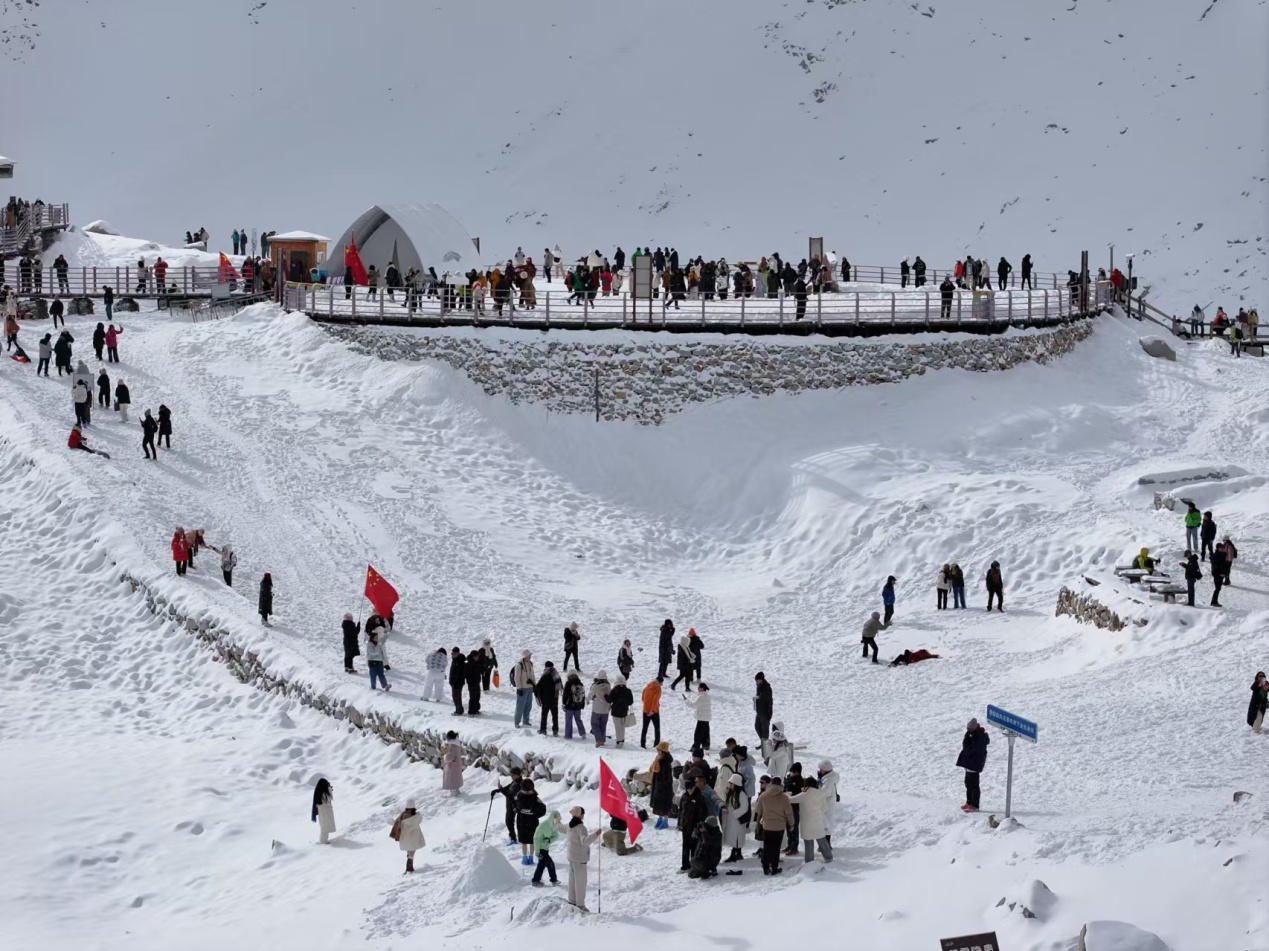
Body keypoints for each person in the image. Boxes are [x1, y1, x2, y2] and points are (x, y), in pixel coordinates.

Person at [753, 775, 794, 875]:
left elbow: (758, 810)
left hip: (767, 825)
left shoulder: (763, 795)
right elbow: (789, 813)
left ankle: (765, 867)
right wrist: (792, 824)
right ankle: (774, 868)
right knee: (776, 847)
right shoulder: (784, 797)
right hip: (779, 826)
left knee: (767, 846)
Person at [789, 776, 833, 863]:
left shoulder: (804, 794)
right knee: (822, 840)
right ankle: (829, 858)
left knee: (808, 842)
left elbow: (792, 800)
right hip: (818, 821)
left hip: (807, 823)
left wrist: (787, 795)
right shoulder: (820, 794)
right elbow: (825, 809)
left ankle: (809, 861)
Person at [565, 806, 600, 911]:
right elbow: (585, 842)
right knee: (581, 882)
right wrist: (596, 834)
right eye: (583, 814)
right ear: (580, 815)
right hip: (580, 859)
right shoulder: (581, 828)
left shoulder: (569, 826)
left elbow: (559, 827)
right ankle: (580, 905)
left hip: (571, 858)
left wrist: (556, 820)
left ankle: (572, 901)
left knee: (572, 880)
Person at [956, 718, 990, 812]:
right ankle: (969, 802)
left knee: (974, 786)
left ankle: (975, 805)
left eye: (969, 729)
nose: (968, 730)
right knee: (968, 784)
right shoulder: (971, 735)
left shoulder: (979, 737)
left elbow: (971, 750)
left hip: (974, 765)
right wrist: (967, 737)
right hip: (969, 764)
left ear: (974, 728)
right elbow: (966, 746)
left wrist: (967, 744)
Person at [515, 778, 547, 864]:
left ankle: (524, 858)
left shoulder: (519, 796)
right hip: (532, 822)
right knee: (532, 840)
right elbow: (543, 809)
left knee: (524, 841)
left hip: (521, 822)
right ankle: (531, 857)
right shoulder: (535, 798)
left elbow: (515, 807)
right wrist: (534, 814)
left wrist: (519, 811)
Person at [721, 773, 751, 863]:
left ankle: (735, 853)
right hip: (731, 819)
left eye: (731, 783)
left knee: (737, 836)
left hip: (737, 819)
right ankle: (737, 853)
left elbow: (744, 807)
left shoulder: (741, 794)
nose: (730, 785)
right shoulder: (731, 793)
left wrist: (735, 814)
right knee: (733, 835)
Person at [491, 767, 524, 845]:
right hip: (510, 805)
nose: (511, 776)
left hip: (513, 806)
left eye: (512, 774)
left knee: (509, 822)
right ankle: (512, 836)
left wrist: (501, 790)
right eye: (511, 774)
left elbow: (509, 795)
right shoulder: (515, 782)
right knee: (509, 821)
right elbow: (508, 787)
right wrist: (498, 790)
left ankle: (513, 838)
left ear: (517, 775)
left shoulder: (518, 784)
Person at [532, 810, 564, 886]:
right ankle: (554, 880)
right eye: (556, 819)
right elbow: (536, 838)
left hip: (546, 849)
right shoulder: (543, 826)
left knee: (541, 865)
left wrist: (549, 840)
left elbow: (556, 836)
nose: (557, 821)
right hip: (541, 849)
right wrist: (537, 851)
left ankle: (535, 880)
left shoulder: (554, 826)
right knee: (550, 864)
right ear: (552, 818)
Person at [393, 800, 425, 873]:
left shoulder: (402, 816)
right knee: (412, 852)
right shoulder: (418, 816)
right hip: (415, 837)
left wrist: (390, 822)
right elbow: (420, 821)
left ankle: (409, 868)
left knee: (409, 852)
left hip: (406, 837)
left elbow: (396, 823)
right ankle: (409, 868)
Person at [677, 782, 702, 872]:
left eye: (691, 788)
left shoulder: (699, 797)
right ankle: (685, 866)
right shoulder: (684, 797)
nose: (690, 791)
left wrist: (699, 826)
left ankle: (693, 866)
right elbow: (681, 811)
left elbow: (702, 814)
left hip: (694, 827)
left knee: (694, 847)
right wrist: (679, 823)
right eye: (688, 789)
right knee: (685, 846)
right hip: (685, 826)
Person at [689, 815, 723, 880]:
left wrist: (704, 832)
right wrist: (697, 829)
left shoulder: (717, 834)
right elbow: (694, 836)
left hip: (712, 859)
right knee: (691, 874)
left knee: (693, 862)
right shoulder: (708, 831)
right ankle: (707, 869)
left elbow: (707, 842)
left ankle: (707, 872)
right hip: (704, 857)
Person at [649, 741, 675, 828]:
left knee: (663, 805)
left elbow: (666, 776)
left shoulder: (665, 761)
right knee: (658, 805)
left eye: (659, 750)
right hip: (658, 785)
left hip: (664, 787)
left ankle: (665, 821)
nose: (658, 752)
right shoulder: (659, 758)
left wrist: (661, 783)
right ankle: (660, 818)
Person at [535, 660, 562, 735]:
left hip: (546, 699)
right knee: (555, 715)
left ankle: (543, 729)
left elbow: (539, 686)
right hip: (555, 698)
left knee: (544, 715)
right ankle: (555, 730)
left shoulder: (545, 675)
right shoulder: (556, 674)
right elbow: (560, 686)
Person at [816, 760, 840, 844]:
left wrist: (816, 790)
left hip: (827, 805)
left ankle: (826, 844)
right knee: (826, 824)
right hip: (825, 804)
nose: (819, 771)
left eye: (820, 769)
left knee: (826, 825)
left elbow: (824, 793)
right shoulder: (826, 779)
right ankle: (825, 844)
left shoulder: (828, 781)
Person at [587, 670, 612, 747]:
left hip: (596, 709)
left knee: (594, 724)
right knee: (603, 725)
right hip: (605, 709)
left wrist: (587, 700)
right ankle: (603, 740)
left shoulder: (595, 686)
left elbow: (590, 695)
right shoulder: (608, 686)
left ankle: (598, 740)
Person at [511, 650, 536, 727]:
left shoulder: (531, 664)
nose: (530, 656)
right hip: (522, 688)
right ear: (525, 656)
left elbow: (533, 675)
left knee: (528, 706)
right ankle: (517, 722)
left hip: (529, 687)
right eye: (529, 655)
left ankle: (526, 721)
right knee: (520, 706)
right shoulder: (519, 665)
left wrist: (534, 685)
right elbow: (517, 678)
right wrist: (519, 688)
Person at [609, 674, 634, 747]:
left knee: (617, 726)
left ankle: (618, 741)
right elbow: (631, 702)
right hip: (624, 711)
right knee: (622, 726)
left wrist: (605, 696)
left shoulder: (614, 690)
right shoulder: (628, 691)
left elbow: (609, 700)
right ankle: (622, 740)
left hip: (615, 711)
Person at [687, 682, 712, 751]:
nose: (697, 688)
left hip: (701, 717)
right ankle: (706, 745)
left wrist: (686, 700)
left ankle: (696, 746)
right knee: (706, 732)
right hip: (707, 717)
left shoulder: (701, 697)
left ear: (702, 688)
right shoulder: (708, 696)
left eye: (699, 687)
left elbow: (693, 705)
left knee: (698, 733)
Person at [562, 671, 587, 739]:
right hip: (578, 705)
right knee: (578, 719)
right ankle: (583, 733)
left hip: (570, 705)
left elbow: (565, 695)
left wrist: (564, 703)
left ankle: (568, 735)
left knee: (568, 720)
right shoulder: (580, 683)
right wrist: (582, 705)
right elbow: (583, 695)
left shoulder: (568, 683)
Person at [312, 778, 336, 844]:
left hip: (323, 812)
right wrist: (329, 789)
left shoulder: (319, 792)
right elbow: (330, 798)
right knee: (325, 829)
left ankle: (323, 841)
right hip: (325, 813)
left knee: (324, 828)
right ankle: (323, 842)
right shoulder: (324, 793)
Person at [641, 676, 662, 748]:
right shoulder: (658, 688)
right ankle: (657, 744)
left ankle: (642, 744)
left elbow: (643, 698)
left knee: (644, 728)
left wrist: (647, 705)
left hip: (645, 710)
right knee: (657, 728)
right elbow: (655, 700)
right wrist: (652, 710)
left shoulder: (647, 687)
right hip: (654, 711)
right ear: (660, 682)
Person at [754, 672, 773, 744]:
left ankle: (765, 744)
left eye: (757, 680)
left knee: (765, 729)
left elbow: (769, 701)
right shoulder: (759, 687)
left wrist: (769, 713)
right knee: (757, 726)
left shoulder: (767, 688)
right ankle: (763, 742)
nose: (756, 682)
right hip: (759, 711)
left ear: (761, 679)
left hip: (765, 712)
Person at [449, 646, 467, 715]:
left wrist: (455, 681)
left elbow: (460, 673)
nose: (453, 655)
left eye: (454, 654)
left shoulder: (460, 661)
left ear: (458, 653)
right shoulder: (455, 660)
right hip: (454, 682)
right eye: (452, 653)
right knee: (455, 697)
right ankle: (459, 709)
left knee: (457, 697)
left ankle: (459, 711)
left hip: (458, 682)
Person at [1209, 543, 1228, 608]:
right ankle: (1213, 602)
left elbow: (1225, 565)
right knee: (1217, 588)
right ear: (1217, 548)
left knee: (1218, 588)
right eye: (1221, 548)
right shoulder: (1215, 555)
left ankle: (1215, 601)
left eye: (1223, 548)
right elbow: (1215, 565)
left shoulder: (1223, 555)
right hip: (1217, 573)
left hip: (1221, 573)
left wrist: (1225, 573)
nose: (1222, 549)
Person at [464, 648, 483, 714]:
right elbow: (467, 674)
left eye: (478, 656)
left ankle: (476, 709)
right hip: (471, 683)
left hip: (477, 682)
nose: (477, 657)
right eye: (475, 656)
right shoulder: (468, 664)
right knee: (473, 697)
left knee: (477, 696)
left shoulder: (478, 663)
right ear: (472, 657)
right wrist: (470, 681)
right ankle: (471, 711)